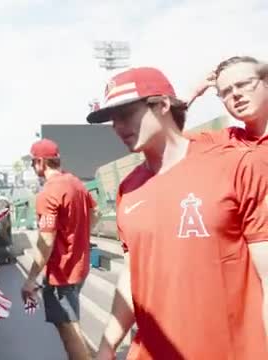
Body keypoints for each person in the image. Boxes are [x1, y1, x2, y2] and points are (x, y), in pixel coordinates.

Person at [86, 67, 268, 359]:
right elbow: (133, 274)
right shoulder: (128, 189)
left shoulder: (233, 163)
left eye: (125, 114)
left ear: (162, 105)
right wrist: (108, 345)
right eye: (112, 120)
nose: (117, 127)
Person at [20, 138, 100, 360]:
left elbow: (46, 240)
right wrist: (78, 237)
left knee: (68, 332)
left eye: (33, 163)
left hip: (61, 274)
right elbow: (95, 213)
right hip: (79, 268)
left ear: (40, 162)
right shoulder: (76, 183)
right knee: (72, 324)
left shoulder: (48, 193)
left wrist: (30, 279)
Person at [187, 56, 268, 146]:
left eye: (243, 84)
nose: (235, 94)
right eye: (226, 92)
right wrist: (192, 93)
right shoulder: (223, 141)